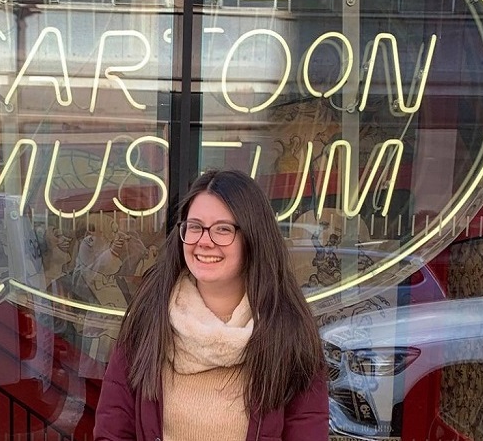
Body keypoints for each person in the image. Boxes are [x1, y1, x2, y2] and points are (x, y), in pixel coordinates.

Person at [94, 169, 328, 440]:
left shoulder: (289, 334)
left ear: (253, 237)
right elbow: (113, 431)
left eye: (223, 229)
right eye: (194, 227)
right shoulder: (148, 322)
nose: (204, 241)